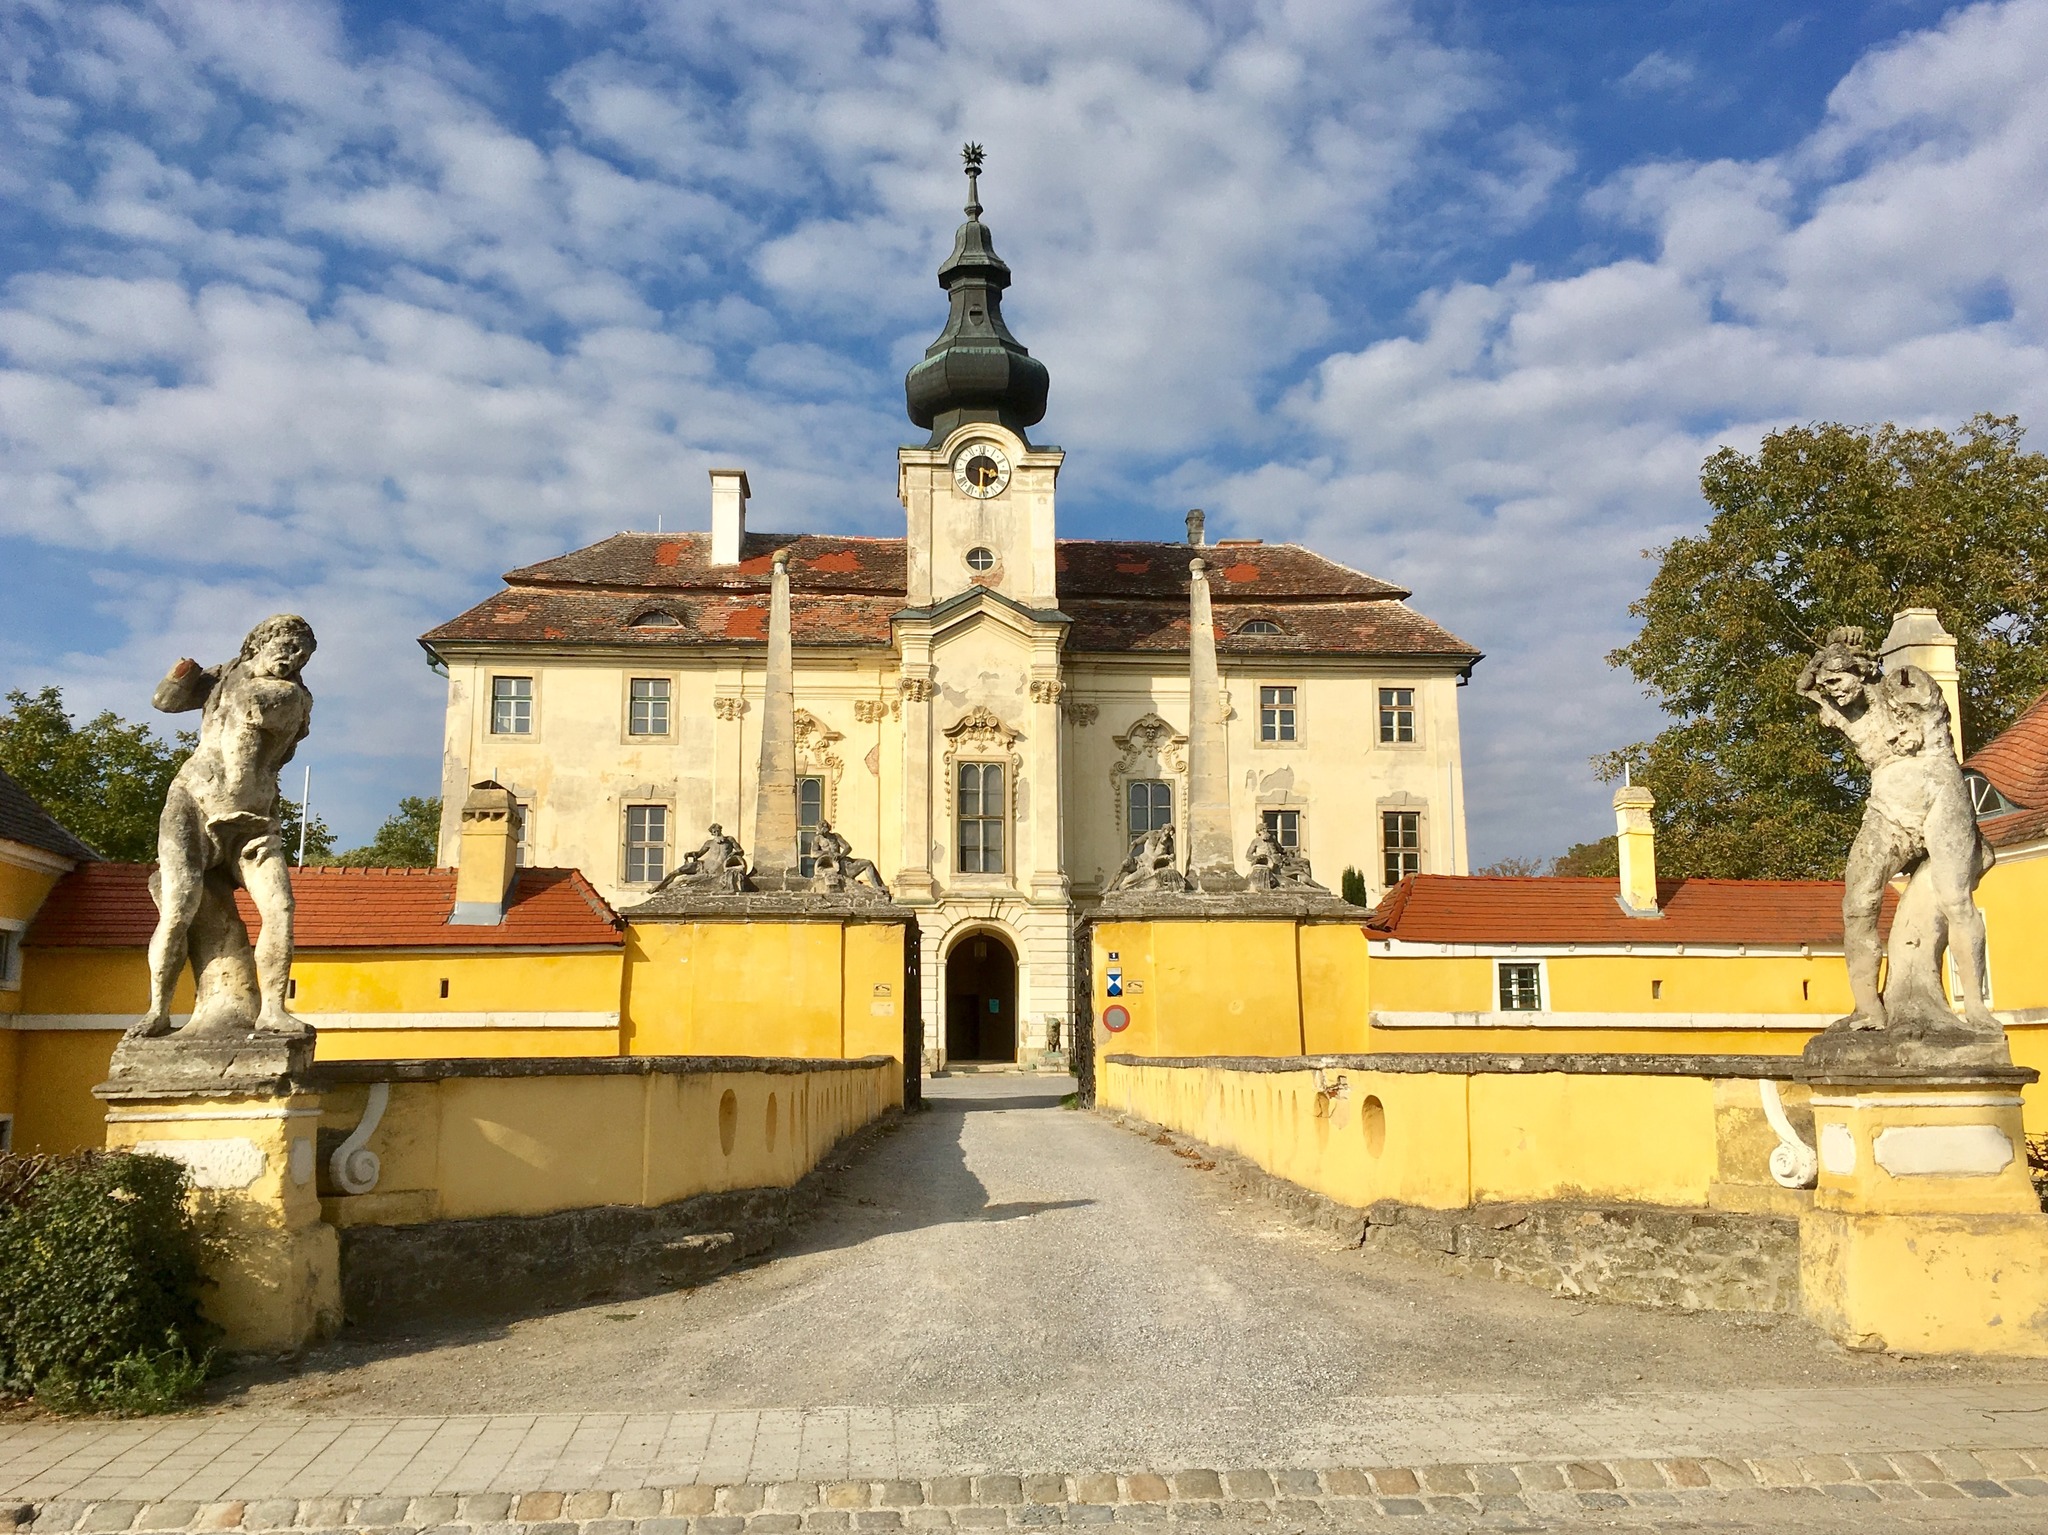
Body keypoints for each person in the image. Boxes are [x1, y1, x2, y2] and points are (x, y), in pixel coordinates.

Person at [1796, 626, 1995, 1033]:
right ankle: (1869, 1009)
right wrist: (1827, 653)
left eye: (1837, 681)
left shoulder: (1905, 687)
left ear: (1863, 671)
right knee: (1858, 902)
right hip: (1887, 810)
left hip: (1939, 795)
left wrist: (1854, 654)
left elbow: (1918, 689)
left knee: (1955, 900)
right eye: (1827, 685)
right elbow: (1802, 687)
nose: (1831, 691)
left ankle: (1975, 1007)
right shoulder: (1842, 711)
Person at [133, 615, 316, 1038]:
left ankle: (273, 1009)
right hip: (193, 800)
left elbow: (257, 708)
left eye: (302, 655)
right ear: (257, 644)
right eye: (287, 649)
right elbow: (164, 702)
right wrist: (182, 676)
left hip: (254, 818)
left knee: (281, 908)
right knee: (180, 907)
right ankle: (158, 1009)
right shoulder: (225, 674)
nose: (293, 660)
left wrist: (227, 683)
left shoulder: (293, 697)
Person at [810, 820, 888, 892]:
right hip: (831, 866)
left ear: (826, 828)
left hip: (844, 863)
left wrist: (841, 855)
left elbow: (848, 848)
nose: (820, 833)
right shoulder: (817, 839)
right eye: (819, 831)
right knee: (867, 863)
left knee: (868, 863)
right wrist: (828, 853)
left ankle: (879, 888)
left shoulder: (836, 836)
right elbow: (813, 854)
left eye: (821, 830)